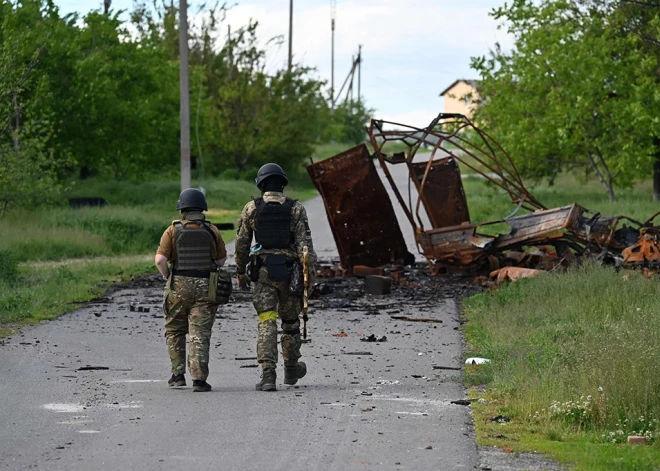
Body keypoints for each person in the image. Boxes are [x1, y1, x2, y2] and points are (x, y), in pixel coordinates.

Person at [235, 163, 317, 392]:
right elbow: (305, 248)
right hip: (291, 273)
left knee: (267, 319)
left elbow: (242, 245)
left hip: (262, 273)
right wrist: (310, 279)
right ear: (282, 183)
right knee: (290, 322)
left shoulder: (251, 208)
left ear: (261, 184)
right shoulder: (296, 209)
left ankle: (268, 374)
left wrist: (240, 272)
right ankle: (291, 368)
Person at [155, 188, 227, 392]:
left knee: (174, 329)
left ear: (182, 209)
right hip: (206, 286)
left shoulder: (173, 230)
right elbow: (221, 261)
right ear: (202, 207)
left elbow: (160, 260)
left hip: (178, 286)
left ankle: (177, 375)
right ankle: (199, 380)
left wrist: (167, 275)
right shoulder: (212, 230)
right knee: (199, 333)